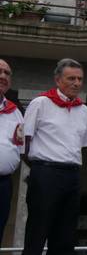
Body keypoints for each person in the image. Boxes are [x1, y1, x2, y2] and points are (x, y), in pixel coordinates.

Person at [22, 58, 87, 255]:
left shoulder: (84, 110)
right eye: (71, 78)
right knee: (38, 230)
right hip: (45, 172)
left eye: (80, 79)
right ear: (58, 80)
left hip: (72, 174)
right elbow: (24, 143)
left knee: (66, 234)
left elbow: (81, 146)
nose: (76, 83)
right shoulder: (40, 103)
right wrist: (39, 169)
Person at [0, 59, 23, 244]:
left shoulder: (15, 112)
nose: (3, 76)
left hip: (3, 184)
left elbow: (20, 145)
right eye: (0, 71)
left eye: (7, 73)